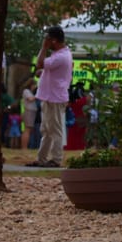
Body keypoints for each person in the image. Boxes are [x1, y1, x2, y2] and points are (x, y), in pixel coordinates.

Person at [26, 27, 73, 168]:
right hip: (50, 96)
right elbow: (43, 68)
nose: (45, 41)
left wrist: (43, 48)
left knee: (55, 129)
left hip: (55, 97)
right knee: (46, 129)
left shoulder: (60, 56)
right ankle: (42, 158)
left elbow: (40, 63)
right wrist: (43, 73)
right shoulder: (60, 54)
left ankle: (56, 159)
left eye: (47, 39)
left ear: (54, 40)